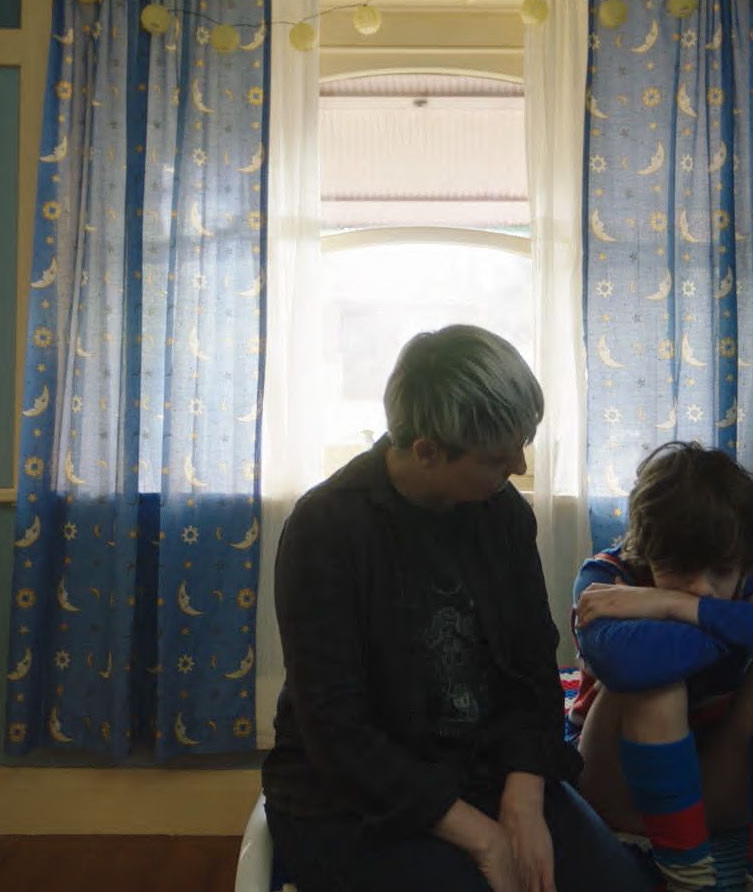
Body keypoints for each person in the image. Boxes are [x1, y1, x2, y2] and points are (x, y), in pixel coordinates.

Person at [265, 325, 651, 892]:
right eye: (497, 457)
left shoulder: (501, 515)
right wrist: (482, 837)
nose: (518, 467)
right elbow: (336, 730)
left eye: (522, 443)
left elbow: (531, 669)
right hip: (354, 798)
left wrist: (523, 797)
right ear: (427, 451)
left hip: (485, 771)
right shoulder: (327, 528)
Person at [568, 443, 753, 892]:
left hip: (711, 790)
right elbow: (629, 665)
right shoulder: (607, 578)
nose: (701, 588)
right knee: (653, 684)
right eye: (679, 571)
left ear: (743, 559)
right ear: (646, 550)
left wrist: (670, 603)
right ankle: (688, 879)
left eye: (719, 572)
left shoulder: (746, 571)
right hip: (618, 789)